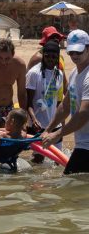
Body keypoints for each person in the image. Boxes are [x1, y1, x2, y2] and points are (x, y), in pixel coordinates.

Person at [42, 29, 89, 174]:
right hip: (83, 143)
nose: (74, 56)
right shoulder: (75, 73)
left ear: (88, 49)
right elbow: (65, 106)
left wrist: (57, 135)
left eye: (79, 52)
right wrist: (48, 129)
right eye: (71, 52)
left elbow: (83, 114)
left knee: (69, 183)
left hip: (87, 146)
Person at [26, 41, 64, 163]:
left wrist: (62, 123)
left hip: (54, 124)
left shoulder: (59, 75)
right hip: (38, 125)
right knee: (38, 159)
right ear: (43, 55)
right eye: (47, 56)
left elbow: (59, 102)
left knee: (58, 160)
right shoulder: (33, 73)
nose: (50, 59)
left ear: (58, 58)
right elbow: (28, 102)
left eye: (54, 57)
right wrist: (33, 119)